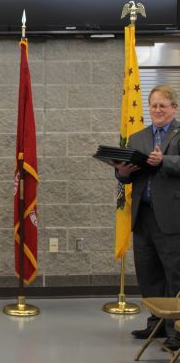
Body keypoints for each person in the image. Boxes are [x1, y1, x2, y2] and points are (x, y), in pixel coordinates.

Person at [115, 85, 180, 351]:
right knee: (148, 272)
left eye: (163, 105)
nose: (157, 110)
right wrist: (122, 171)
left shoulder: (178, 134)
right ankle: (155, 321)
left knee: (174, 275)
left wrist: (163, 161)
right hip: (143, 217)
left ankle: (175, 328)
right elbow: (125, 177)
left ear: (174, 108)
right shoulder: (138, 137)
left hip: (172, 218)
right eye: (154, 105)